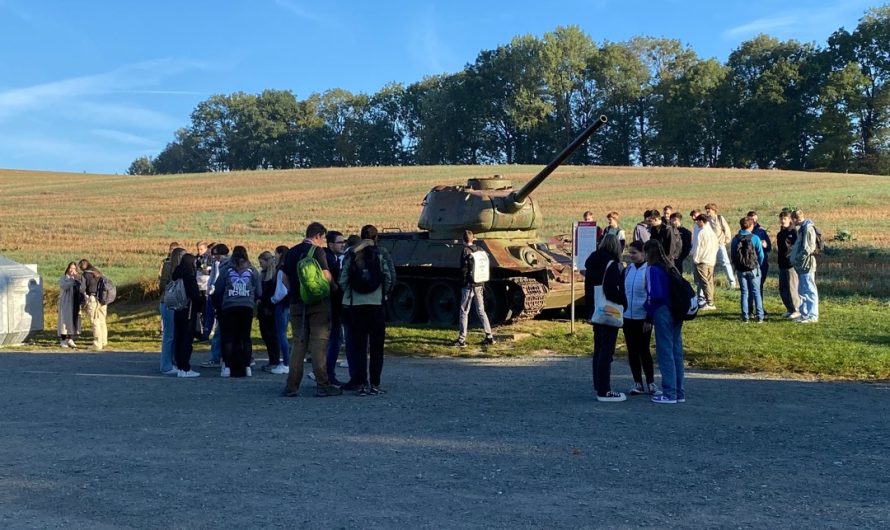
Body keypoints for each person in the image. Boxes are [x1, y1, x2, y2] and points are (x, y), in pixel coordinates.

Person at [282, 222, 342, 397]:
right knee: (319, 344)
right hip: (318, 304)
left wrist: (295, 291)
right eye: (322, 238)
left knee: (299, 344)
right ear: (317, 236)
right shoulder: (317, 251)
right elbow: (325, 274)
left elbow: (284, 277)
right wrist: (333, 287)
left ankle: (291, 386)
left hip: (296, 304)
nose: (323, 242)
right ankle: (323, 385)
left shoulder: (291, 252)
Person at [340, 225, 395, 395]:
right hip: (376, 303)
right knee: (377, 347)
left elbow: (343, 279)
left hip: (357, 305)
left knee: (359, 346)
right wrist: (384, 295)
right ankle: (375, 384)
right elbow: (389, 276)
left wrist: (349, 294)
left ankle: (361, 382)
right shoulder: (381, 253)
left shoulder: (352, 253)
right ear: (376, 237)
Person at [584, 234, 627, 402]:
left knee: (598, 349)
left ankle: (598, 384)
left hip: (596, 310)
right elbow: (611, 290)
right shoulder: (612, 264)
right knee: (606, 352)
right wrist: (624, 301)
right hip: (609, 311)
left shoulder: (592, 262)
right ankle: (604, 390)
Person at [643, 240, 685, 404]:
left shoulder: (653, 269)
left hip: (662, 310)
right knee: (676, 351)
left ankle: (669, 393)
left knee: (665, 351)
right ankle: (679, 391)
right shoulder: (670, 266)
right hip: (677, 310)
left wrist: (648, 308)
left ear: (648, 253)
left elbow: (655, 294)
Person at [212, 247, 260, 378]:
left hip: (229, 306)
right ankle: (247, 366)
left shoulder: (226, 270)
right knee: (245, 337)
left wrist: (219, 303)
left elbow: (218, 289)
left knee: (228, 337)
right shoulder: (252, 270)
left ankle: (227, 366)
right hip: (247, 306)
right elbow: (259, 291)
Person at [622, 241, 655, 395]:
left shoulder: (649, 270)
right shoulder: (627, 270)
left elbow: (652, 295)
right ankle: (637, 382)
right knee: (632, 351)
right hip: (628, 316)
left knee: (644, 350)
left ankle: (651, 383)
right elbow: (622, 291)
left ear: (643, 253)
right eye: (630, 252)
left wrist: (649, 318)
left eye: (634, 253)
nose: (631, 256)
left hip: (643, 317)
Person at [452, 230, 495, 347]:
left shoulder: (465, 251)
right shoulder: (480, 249)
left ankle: (462, 339)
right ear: (473, 238)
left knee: (464, 311)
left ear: (463, 240)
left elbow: (463, 270)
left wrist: (463, 283)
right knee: (481, 310)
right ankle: (489, 336)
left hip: (468, 286)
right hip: (479, 284)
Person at [730, 217, 766, 323]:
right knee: (756, 292)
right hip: (753, 268)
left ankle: (745, 316)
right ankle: (760, 316)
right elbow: (761, 255)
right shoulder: (755, 238)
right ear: (751, 226)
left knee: (744, 292)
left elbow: (733, 255)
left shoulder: (735, 239)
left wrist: (737, 266)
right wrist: (758, 265)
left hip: (741, 269)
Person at [200, 244, 229, 369]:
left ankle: (216, 357)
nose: (216, 258)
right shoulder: (221, 264)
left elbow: (217, 281)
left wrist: (211, 290)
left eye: (217, 255)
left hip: (219, 299)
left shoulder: (223, 265)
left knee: (219, 331)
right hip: (217, 298)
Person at [257, 251, 287, 374]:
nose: (260, 265)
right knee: (266, 336)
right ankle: (272, 359)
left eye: (261, 262)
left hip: (270, 308)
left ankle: (275, 360)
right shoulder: (263, 275)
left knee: (272, 336)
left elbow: (273, 293)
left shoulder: (274, 276)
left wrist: (269, 303)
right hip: (263, 309)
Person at [172, 253, 201, 377]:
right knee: (186, 340)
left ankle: (179, 367)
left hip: (177, 309)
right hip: (189, 311)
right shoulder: (189, 276)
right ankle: (185, 368)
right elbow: (195, 296)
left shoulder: (176, 275)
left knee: (178, 339)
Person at [324, 231, 346, 385]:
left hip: (329, 305)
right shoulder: (331, 261)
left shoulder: (329, 258)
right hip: (333, 305)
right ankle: (328, 374)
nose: (342, 244)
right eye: (339, 242)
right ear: (330, 244)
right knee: (335, 340)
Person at [790, 209, 819, 323]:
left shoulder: (808, 229)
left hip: (806, 264)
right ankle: (804, 314)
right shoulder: (802, 229)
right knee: (802, 290)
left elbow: (808, 248)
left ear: (795, 218)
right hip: (801, 265)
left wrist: (798, 258)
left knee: (809, 289)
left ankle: (812, 315)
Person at [159, 242, 182, 373]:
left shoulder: (168, 265)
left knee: (172, 334)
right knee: (169, 335)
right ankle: (166, 364)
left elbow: (162, 284)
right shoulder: (168, 266)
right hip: (170, 301)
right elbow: (163, 283)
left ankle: (171, 361)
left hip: (171, 300)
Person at [704, 203, 737, 289]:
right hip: (710, 246)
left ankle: (732, 283)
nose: (707, 211)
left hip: (720, 244)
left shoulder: (719, 218)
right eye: (706, 209)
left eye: (709, 209)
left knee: (726, 263)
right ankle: (710, 283)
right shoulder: (706, 220)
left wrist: (726, 240)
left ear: (714, 210)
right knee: (710, 264)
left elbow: (727, 229)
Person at [270, 245, 292, 372]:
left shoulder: (280, 270)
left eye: (276, 254)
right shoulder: (289, 268)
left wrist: (272, 300)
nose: (275, 257)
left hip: (281, 304)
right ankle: (287, 361)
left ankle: (285, 363)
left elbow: (281, 291)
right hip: (289, 304)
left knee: (281, 334)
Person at [78, 259, 108, 351]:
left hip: (93, 299)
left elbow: (82, 289)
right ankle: (103, 341)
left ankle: (97, 344)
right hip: (103, 300)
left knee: (95, 321)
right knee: (102, 320)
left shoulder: (85, 275)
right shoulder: (98, 273)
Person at [776, 211, 801, 319]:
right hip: (782, 263)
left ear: (789, 219)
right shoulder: (780, 234)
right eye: (781, 219)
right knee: (783, 288)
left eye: (785, 218)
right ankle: (789, 309)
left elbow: (796, 247)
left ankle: (797, 309)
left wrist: (791, 257)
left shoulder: (794, 232)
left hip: (791, 264)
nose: (782, 221)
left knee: (792, 288)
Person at [691, 214, 718, 310]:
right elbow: (716, 246)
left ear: (701, 221)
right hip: (711, 260)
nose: (696, 223)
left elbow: (698, 248)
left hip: (702, 261)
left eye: (697, 221)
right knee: (709, 281)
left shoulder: (702, 232)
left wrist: (695, 259)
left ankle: (709, 302)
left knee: (703, 282)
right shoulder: (712, 232)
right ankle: (711, 301)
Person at [58, 262, 84, 348]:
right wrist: (72, 281)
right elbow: (63, 286)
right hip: (65, 302)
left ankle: (70, 339)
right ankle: (63, 340)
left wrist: (77, 279)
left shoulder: (78, 278)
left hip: (75, 302)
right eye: (70, 268)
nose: (71, 270)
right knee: (64, 321)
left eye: (73, 268)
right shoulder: (64, 278)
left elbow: (82, 287)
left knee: (73, 320)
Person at [747, 211, 772, 292]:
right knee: (749, 287)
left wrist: (766, 245)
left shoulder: (761, 231)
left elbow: (769, 247)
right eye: (751, 220)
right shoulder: (744, 232)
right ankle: (750, 304)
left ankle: (759, 304)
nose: (753, 222)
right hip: (749, 262)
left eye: (754, 220)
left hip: (762, 262)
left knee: (759, 286)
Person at [195, 241, 211, 340]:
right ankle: (198, 331)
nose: (199, 251)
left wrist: (206, 271)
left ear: (205, 249)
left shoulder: (209, 258)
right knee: (198, 311)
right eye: (198, 249)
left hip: (205, 286)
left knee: (205, 311)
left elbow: (210, 270)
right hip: (198, 286)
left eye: (201, 249)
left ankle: (205, 332)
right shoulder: (197, 258)